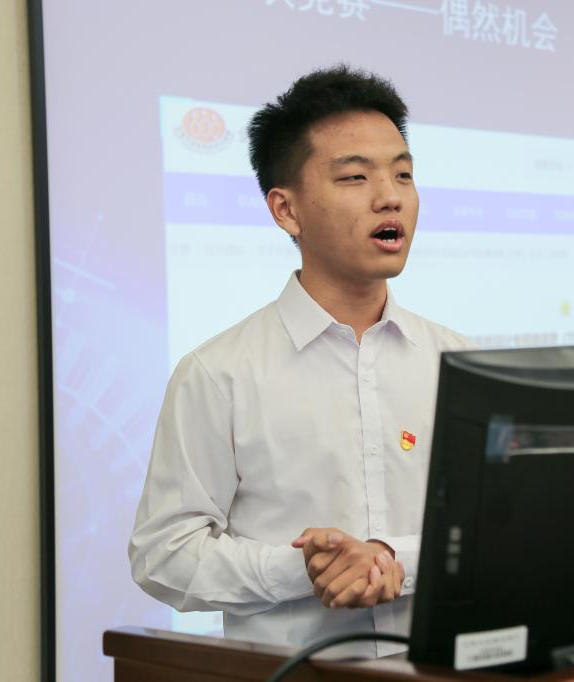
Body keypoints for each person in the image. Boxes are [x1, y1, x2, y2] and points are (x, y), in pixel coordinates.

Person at [128, 65, 474, 658]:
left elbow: (497, 528)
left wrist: (390, 560)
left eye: (403, 174)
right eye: (356, 176)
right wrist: (303, 569)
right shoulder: (218, 373)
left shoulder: (457, 361)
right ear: (286, 210)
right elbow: (164, 555)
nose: (390, 196)